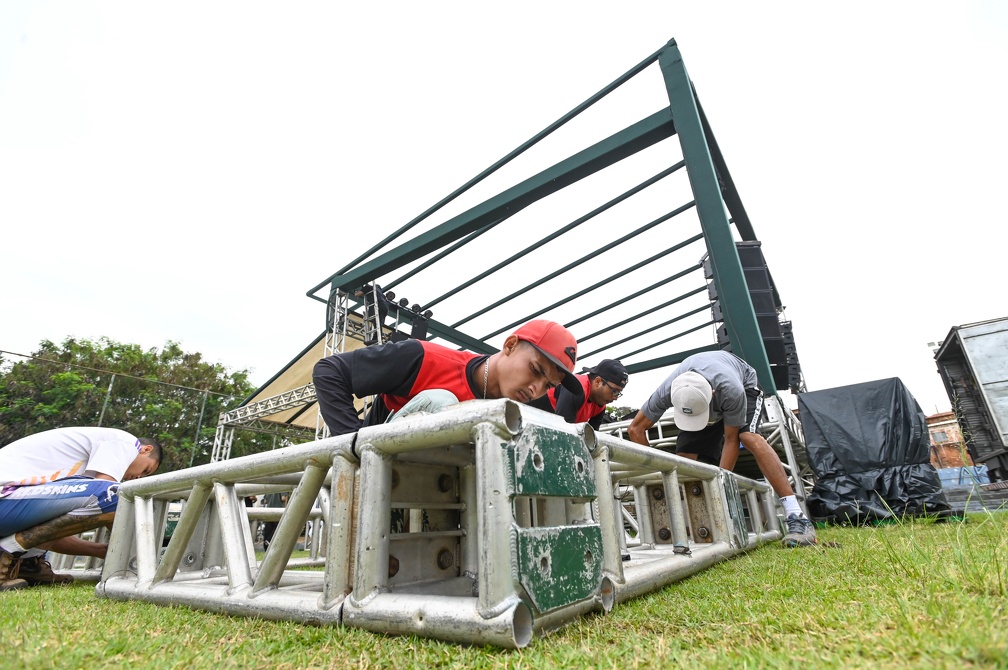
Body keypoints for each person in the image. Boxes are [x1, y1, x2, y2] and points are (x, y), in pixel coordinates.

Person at [626, 351, 816, 547]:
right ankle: (689, 521)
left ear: (713, 395)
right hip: (703, 392)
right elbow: (635, 429)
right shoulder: (668, 390)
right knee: (684, 457)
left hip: (744, 385)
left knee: (748, 436)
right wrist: (662, 477)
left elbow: (731, 441)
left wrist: (720, 493)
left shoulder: (732, 390)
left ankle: (797, 516)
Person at [312, 319, 581, 436]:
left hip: (453, 503)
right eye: (536, 370)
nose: (536, 389)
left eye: (548, 385)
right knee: (442, 401)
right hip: (383, 481)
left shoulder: (522, 407)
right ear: (509, 345)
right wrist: (353, 444)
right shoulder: (422, 358)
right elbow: (329, 371)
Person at [0, 427, 162, 590]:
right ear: (146, 450)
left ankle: (27, 565)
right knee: (119, 495)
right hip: (6, 496)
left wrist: (103, 551)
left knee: (110, 497)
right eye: (145, 470)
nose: (140, 477)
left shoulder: (80, 474)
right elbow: (113, 499)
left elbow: (47, 532)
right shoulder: (125, 441)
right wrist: (127, 555)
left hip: (11, 503)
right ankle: (7, 551)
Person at [530, 358, 629, 430]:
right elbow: (563, 430)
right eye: (614, 391)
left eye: (619, 393)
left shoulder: (600, 406)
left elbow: (592, 436)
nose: (615, 398)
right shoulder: (576, 389)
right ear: (598, 382)